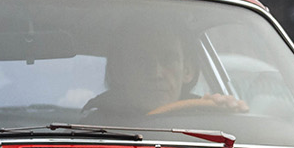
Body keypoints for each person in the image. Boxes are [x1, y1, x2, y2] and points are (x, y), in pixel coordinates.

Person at [82, 29, 246, 124]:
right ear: (120, 72)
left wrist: (228, 114)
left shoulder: (210, 125)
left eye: (169, 60)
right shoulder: (92, 131)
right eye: (142, 60)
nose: (156, 73)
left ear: (187, 71)